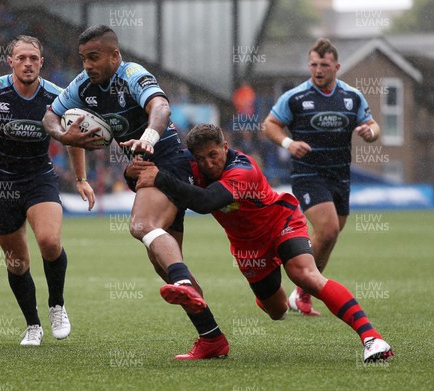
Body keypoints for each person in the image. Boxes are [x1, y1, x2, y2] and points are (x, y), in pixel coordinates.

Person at [42, 25, 229, 360]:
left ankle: (186, 287)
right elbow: (50, 117)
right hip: (142, 167)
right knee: (165, 264)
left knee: (141, 226)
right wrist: (64, 136)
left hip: (169, 162)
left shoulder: (132, 74)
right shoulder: (82, 85)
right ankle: (211, 336)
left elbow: (160, 108)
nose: (87, 65)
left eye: (94, 57)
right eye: (84, 58)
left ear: (115, 55)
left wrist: (149, 139)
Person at [136, 123, 393, 363]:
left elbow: (204, 202)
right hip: (247, 246)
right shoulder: (192, 167)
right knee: (276, 310)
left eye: (214, 155)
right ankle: (272, 298)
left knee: (305, 274)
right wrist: (133, 171)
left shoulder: (242, 170)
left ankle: (372, 339)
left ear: (225, 147)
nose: (209, 164)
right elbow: (154, 177)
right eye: (201, 159)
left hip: (280, 223)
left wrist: (160, 178)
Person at [0, 35, 94, 346]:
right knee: (17, 261)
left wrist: (81, 179)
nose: (28, 63)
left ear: (41, 62)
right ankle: (33, 325)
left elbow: (74, 137)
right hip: (0, 181)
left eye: (34, 58)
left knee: (49, 240)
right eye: (22, 58)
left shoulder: (58, 97)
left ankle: (56, 305)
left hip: (39, 178)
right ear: (11, 61)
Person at [262, 38, 381, 316]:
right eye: (313, 64)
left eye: (324, 65)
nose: (317, 70)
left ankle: (302, 293)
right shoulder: (295, 97)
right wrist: (288, 144)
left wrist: (370, 133)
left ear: (336, 66)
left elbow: (372, 126)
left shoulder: (352, 97)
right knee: (326, 230)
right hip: (308, 174)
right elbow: (270, 125)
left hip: (340, 175)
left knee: (331, 235)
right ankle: (299, 279)